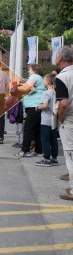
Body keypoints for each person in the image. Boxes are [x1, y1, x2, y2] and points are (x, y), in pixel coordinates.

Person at [54, 46, 73, 200]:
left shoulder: (62, 77)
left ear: (60, 57)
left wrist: (60, 119)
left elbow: (64, 103)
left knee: (70, 154)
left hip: (69, 119)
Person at [15, 64, 45, 157]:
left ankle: (25, 150)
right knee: (37, 129)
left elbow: (26, 88)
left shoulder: (34, 76)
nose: (28, 71)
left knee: (28, 129)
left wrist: (16, 87)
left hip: (33, 106)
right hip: (38, 106)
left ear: (34, 70)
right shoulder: (40, 78)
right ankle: (39, 150)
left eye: (29, 69)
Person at [35, 73, 59, 167]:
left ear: (48, 82)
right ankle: (54, 158)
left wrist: (38, 107)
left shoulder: (45, 93)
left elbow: (45, 105)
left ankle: (46, 159)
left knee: (45, 140)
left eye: (44, 80)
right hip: (54, 120)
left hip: (46, 120)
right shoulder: (56, 92)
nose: (43, 82)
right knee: (53, 140)